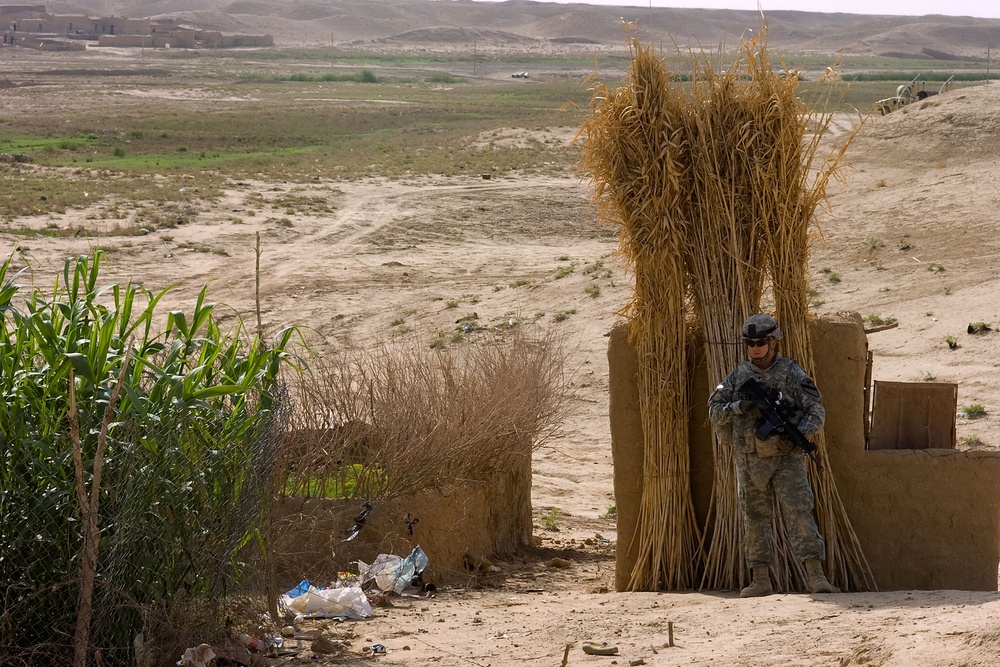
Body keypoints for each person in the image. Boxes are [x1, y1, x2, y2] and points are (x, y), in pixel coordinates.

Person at [708, 313, 838, 598]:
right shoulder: (738, 376)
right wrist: (739, 407)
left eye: (761, 342)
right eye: (750, 343)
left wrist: (795, 438)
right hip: (748, 458)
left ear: (774, 342)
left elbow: (817, 412)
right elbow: (714, 410)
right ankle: (760, 579)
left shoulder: (792, 374)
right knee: (754, 518)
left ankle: (816, 576)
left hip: (784, 458)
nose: (755, 348)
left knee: (800, 512)